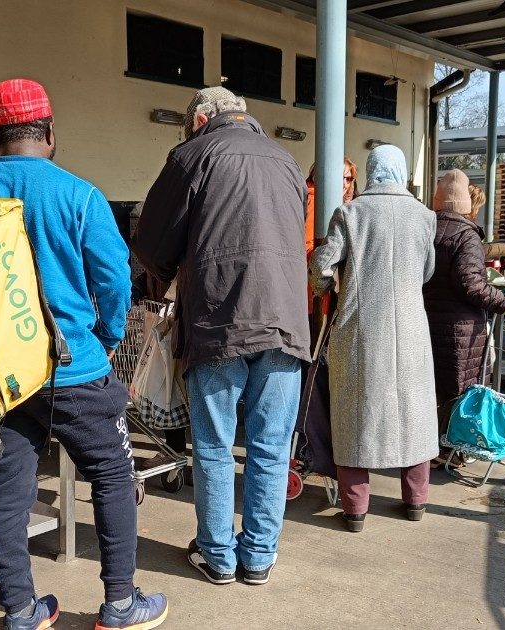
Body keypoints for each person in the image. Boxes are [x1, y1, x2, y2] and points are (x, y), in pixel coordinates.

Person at [0, 79, 167, 630]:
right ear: (50, 133)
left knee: (7, 487)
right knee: (112, 476)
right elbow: (114, 281)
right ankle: (120, 603)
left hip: (3, 374)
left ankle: (20, 610)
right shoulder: (79, 195)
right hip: (74, 367)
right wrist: (102, 339)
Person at [134, 86, 309, 586]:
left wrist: (164, 275)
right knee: (271, 446)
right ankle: (258, 557)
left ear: (201, 119)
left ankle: (217, 556)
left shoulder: (193, 154)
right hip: (284, 322)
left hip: (219, 320)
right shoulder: (286, 160)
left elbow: (152, 241)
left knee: (212, 445)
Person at [311, 145, 438, 532]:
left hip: (361, 327)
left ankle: (355, 510)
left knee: (354, 414)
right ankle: (416, 500)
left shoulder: (351, 213)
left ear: (369, 172)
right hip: (412, 328)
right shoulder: (424, 216)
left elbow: (321, 266)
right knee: (414, 413)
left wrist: (326, 285)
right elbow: (427, 271)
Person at [423, 170, 505, 466]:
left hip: (426, 319)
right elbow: (472, 284)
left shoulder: (425, 228)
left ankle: (431, 446)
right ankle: (454, 448)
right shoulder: (467, 235)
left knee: (433, 385)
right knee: (462, 388)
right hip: (460, 327)